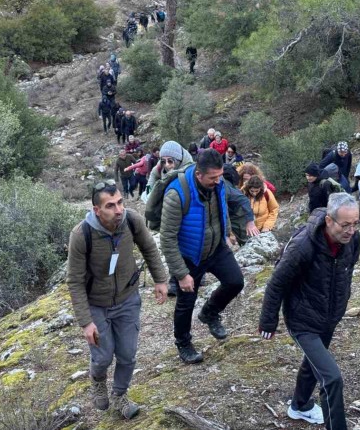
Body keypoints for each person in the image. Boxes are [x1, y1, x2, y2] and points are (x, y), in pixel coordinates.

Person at [67, 180, 169, 419]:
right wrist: (86, 322)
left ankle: (120, 395)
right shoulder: (81, 235)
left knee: (127, 354)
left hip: (127, 298)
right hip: (96, 304)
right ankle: (97, 379)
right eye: (110, 205)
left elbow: (149, 248)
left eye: (120, 202)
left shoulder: (132, 220)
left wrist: (160, 279)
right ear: (97, 210)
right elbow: (75, 281)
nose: (119, 209)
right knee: (103, 356)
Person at [258, 193, 360, 430]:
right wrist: (268, 322)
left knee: (313, 364)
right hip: (302, 319)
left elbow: (348, 269)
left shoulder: (352, 239)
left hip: (329, 316)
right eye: (345, 225)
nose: (351, 230)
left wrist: (342, 301)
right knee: (332, 378)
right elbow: (277, 283)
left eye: (355, 223)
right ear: (329, 220)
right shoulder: (303, 245)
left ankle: (300, 405)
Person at [160, 150, 245, 364]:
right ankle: (183, 343)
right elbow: (167, 238)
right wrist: (181, 274)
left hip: (216, 247)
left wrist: (227, 232)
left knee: (235, 281)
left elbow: (222, 207)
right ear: (199, 174)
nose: (218, 181)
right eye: (213, 177)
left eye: (220, 176)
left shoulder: (218, 184)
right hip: (190, 255)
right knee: (186, 303)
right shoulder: (176, 194)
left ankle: (209, 312)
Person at [223, 164, 259, 246]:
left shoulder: (226, 187)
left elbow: (244, 200)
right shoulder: (224, 184)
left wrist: (250, 222)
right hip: (231, 213)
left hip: (236, 214)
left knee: (247, 240)